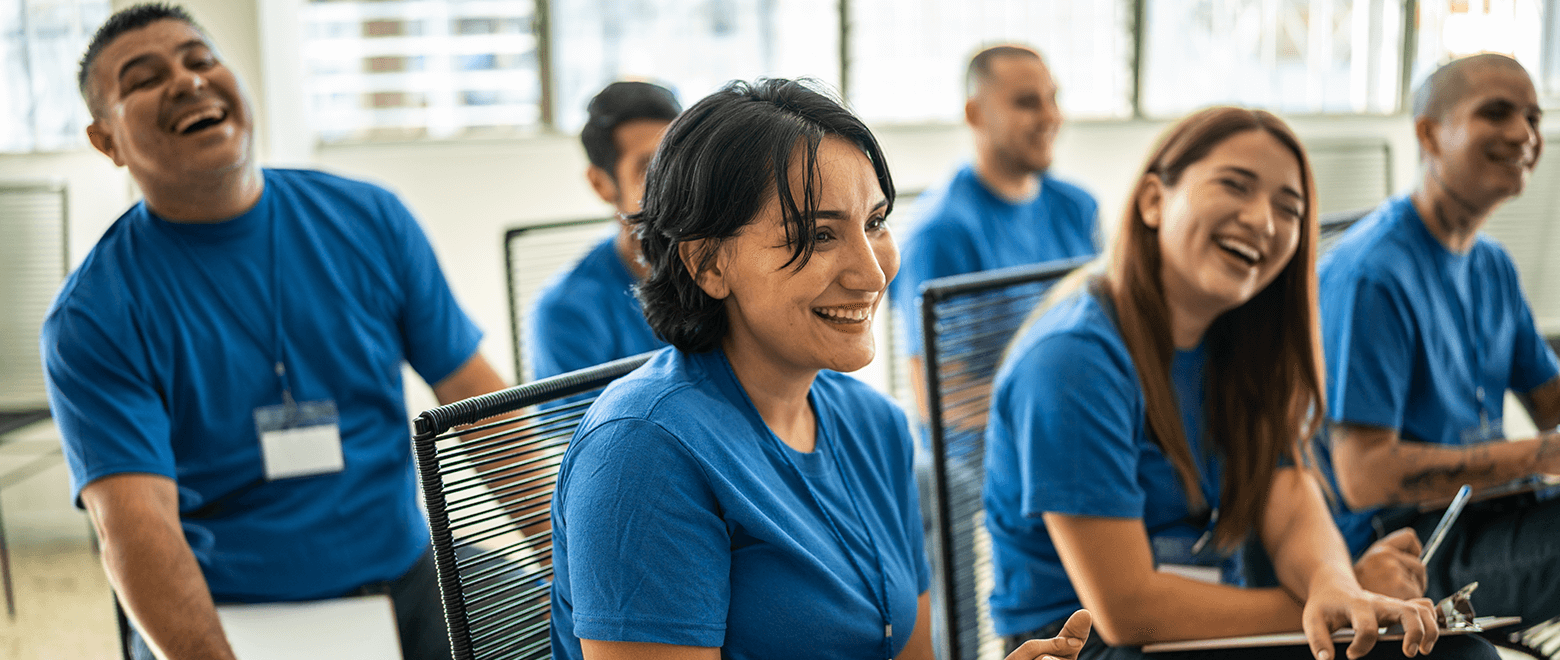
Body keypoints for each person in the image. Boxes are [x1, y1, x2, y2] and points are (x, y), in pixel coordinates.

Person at [548, 78, 1092, 660]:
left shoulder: (875, 425)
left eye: (876, 222)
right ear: (707, 264)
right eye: (818, 234)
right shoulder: (644, 450)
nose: (872, 272)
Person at [41, 4, 507, 659]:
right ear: (106, 140)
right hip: (228, 609)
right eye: (144, 79)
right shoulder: (93, 315)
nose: (186, 81)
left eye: (200, 60)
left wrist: (573, 570)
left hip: (404, 569)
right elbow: (136, 532)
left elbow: (481, 406)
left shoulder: (369, 218)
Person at [984, 106, 1498, 660]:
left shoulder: (1234, 338)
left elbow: (1289, 491)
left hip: (1206, 619)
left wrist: (1334, 584)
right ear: (1154, 200)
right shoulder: (1073, 360)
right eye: (1235, 186)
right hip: (1088, 646)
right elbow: (1128, 608)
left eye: (1289, 208)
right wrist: (1345, 600)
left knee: (1455, 653)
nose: (1264, 222)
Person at [1318, 53, 1560, 629]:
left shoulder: (1492, 265)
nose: (1525, 134)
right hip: (1404, 548)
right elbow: (1363, 476)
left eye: (1533, 116)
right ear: (1429, 133)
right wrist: (1540, 454)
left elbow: (1552, 402)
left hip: (1496, 515)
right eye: (1496, 113)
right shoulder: (1371, 274)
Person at [890, 44, 1100, 418]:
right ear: (976, 114)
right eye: (1026, 103)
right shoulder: (939, 233)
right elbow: (939, 398)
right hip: (982, 457)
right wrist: (1067, 397)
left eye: (1053, 99)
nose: (1051, 117)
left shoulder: (1078, 208)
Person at [528, 81, 680, 379]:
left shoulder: (725, 275)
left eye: (680, 161)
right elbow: (583, 427)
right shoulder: (567, 314)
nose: (675, 183)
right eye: (648, 169)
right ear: (600, 184)